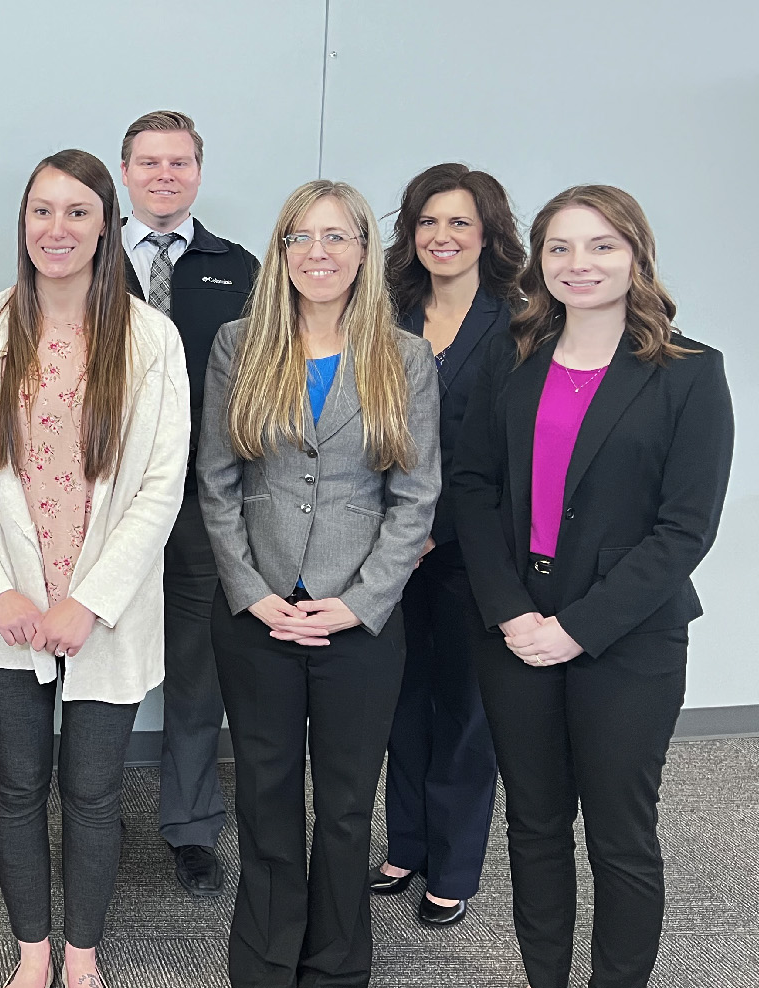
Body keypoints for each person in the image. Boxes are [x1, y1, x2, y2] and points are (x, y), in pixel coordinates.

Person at [454, 186, 733, 988]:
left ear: (636, 255)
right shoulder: (509, 360)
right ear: (539, 262)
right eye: (561, 248)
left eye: (601, 245)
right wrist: (510, 612)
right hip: (512, 631)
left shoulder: (688, 374)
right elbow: (471, 490)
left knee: (619, 833)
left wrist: (575, 627)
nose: (580, 264)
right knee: (533, 826)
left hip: (627, 639)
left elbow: (685, 530)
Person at [0, 149, 188, 988]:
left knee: (90, 793)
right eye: (41, 211)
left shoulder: (150, 337)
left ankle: (80, 950)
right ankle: (31, 950)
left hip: (101, 613)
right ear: (21, 224)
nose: (57, 228)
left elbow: (160, 485)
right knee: (14, 789)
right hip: (2, 606)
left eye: (77, 212)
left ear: (107, 225)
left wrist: (90, 599)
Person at [196, 179, 439, 988]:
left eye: (337, 238)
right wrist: (251, 590)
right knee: (265, 802)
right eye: (302, 238)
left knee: (341, 808)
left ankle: (335, 967)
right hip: (256, 613)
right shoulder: (239, 344)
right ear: (281, 252)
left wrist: (359, 602)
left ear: (365, 252)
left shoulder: (402, 355)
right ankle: (266, 962)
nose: (319, 254)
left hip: (358, 622)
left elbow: (414, 497)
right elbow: (217, 483)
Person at [368, 163, 525, 926]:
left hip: (471, 551)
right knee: (399, 700)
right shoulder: (386, 309)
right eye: (427, 222)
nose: (441, 236)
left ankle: (453, 866)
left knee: (463, 710)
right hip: (388, 548)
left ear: (488, 232)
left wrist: (438, 529)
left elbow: (506, 454)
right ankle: (405, 845)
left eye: (459, 222)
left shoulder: (522, 320)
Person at [116, 109, 260, 898]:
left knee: (196, 672)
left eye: (178, 162)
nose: (163, 175)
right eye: (148, 162)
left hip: (205, 505)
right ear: (126, 171)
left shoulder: (238, 270)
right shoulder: (87, 258)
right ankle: (89, 813)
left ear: (198, 171)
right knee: (95, 657)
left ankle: (191, 826)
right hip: (108, 503)